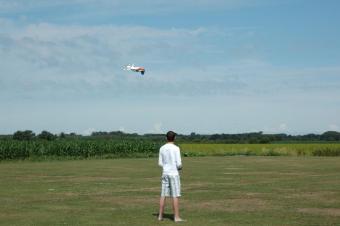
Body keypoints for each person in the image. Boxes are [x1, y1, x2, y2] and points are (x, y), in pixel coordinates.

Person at [158, 131, 185, 222]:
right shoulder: (176, 148)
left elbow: (160, 163)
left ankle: (160, 216)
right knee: (175, 195)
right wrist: (179, 168)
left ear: (166, 138)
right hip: (174, 174)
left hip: (165, 173)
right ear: (175, 138)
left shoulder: (162, 148)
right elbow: (179, 164)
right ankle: (176, 217)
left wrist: (166, 166)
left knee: (163, 195)